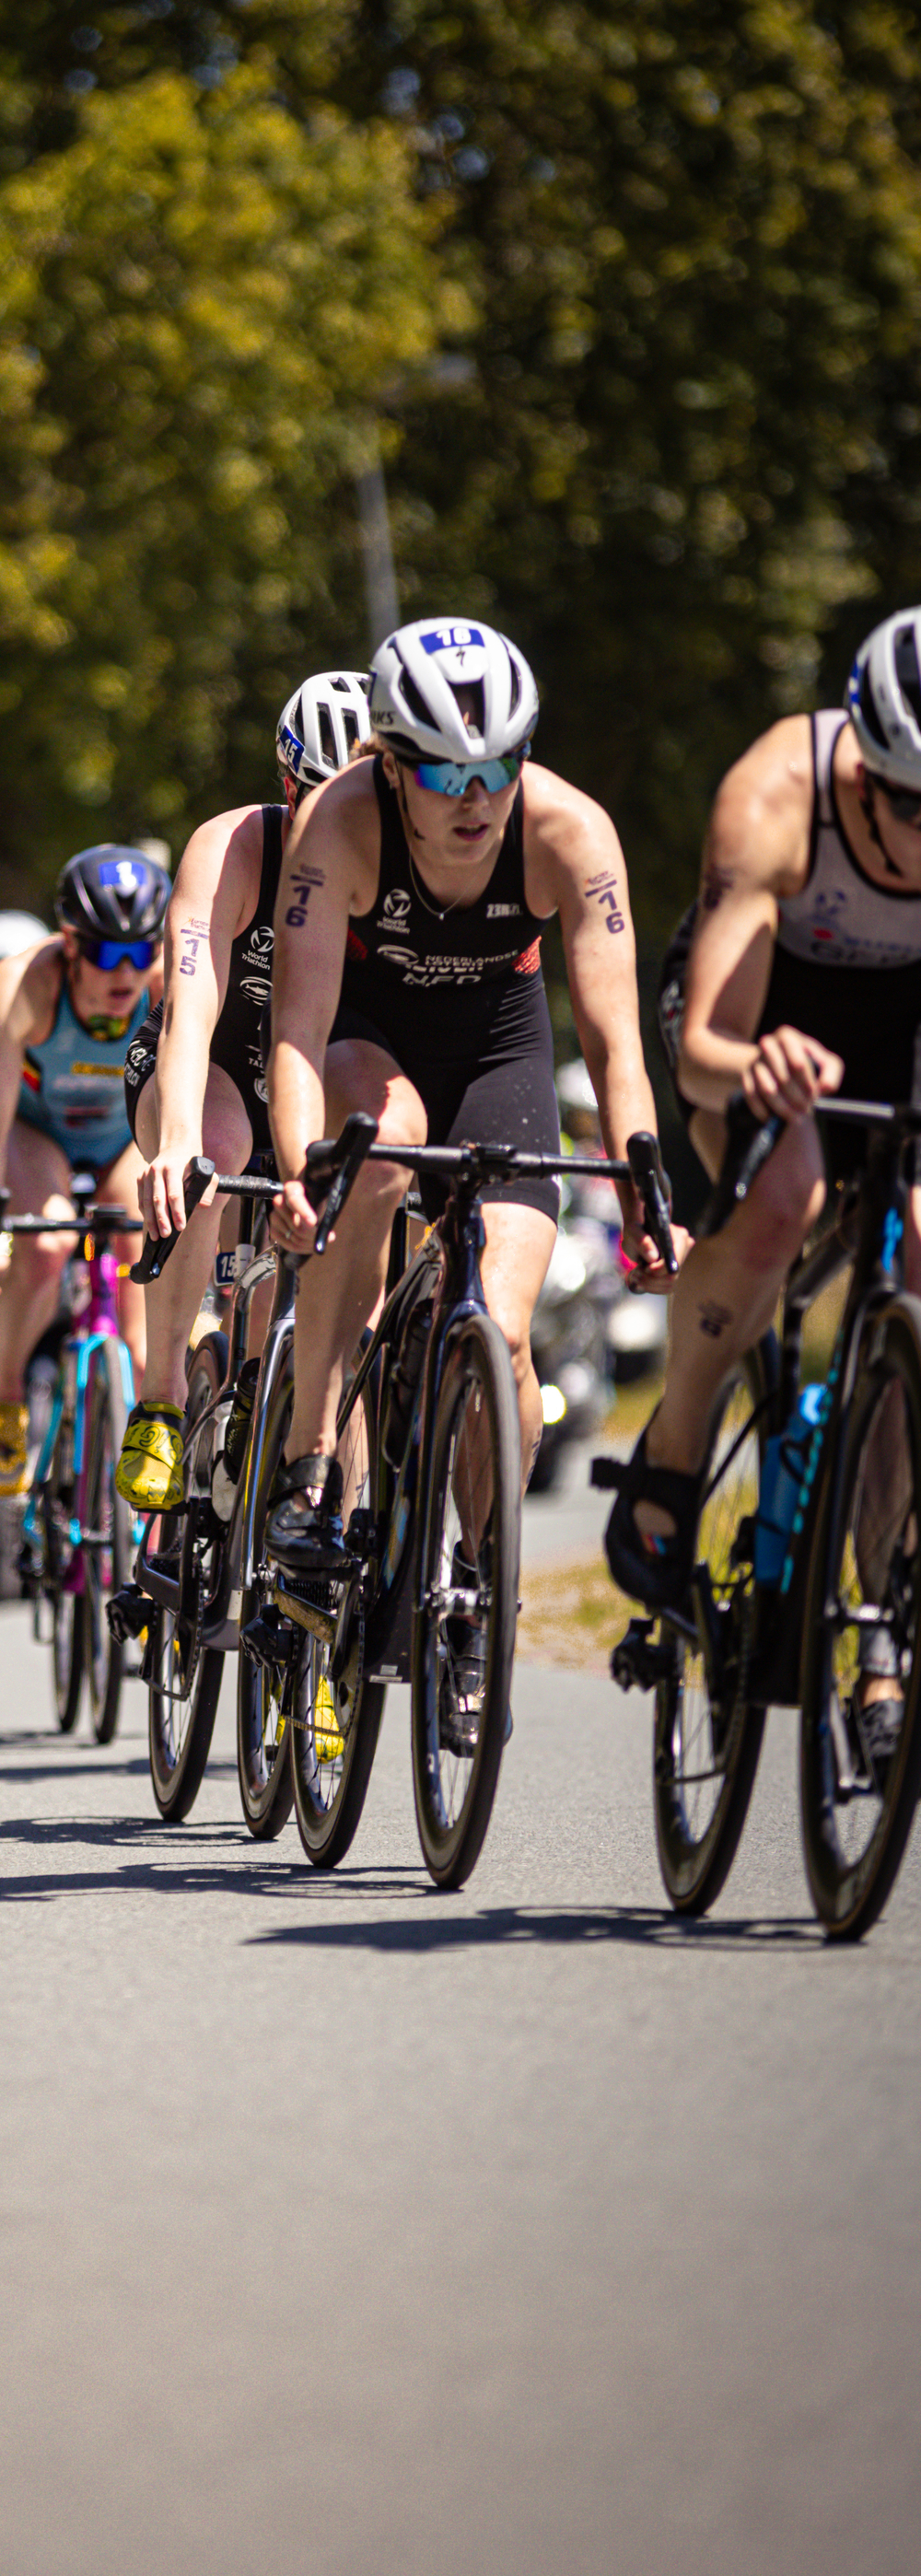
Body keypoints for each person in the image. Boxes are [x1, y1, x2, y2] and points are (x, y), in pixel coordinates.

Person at [262, 620, 682, 1737]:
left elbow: (613, 1045)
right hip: (366, 1040)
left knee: (497, 1329)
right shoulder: (337, 823)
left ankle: (476, 1595)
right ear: (390, 764)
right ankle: (310, 1467)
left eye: (498, 765)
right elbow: (295, 1031)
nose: (474, 796)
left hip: (500, 1051)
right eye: (445, 771)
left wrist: (646, 1195)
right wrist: (304, 1167)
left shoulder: (569, 831)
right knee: (383, 1146)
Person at [602, 610, 921, 1777]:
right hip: (761, 1022)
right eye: (908, 806)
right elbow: (698, 1052)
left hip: (900, 1027)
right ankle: (676, 1442)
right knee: (783, 1191)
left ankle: (879, 1633)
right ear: (864, 767)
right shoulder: (776, 794)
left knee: (918, 1255)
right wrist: (757, 1071)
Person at [115, 670, 373, 1509]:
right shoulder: (229, 848)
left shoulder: (393, 865)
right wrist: (179, 1142)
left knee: (289, 1326)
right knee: (212, 1160)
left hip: (317, 1082)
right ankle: (158, 1400)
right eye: (313, 797)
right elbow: (188, 1007)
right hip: (212, 1068)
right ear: (285, 784)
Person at [0, 847, 168, 1496]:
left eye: (142, 952)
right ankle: (6, 1392)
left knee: (140, 1247)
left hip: (123, 1133)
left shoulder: (167, 983)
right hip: (36, 1132)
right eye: (108, 954)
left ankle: (141, 1434)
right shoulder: (25, 984)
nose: (127, 973)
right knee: (45, 1245)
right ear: (69, 943)